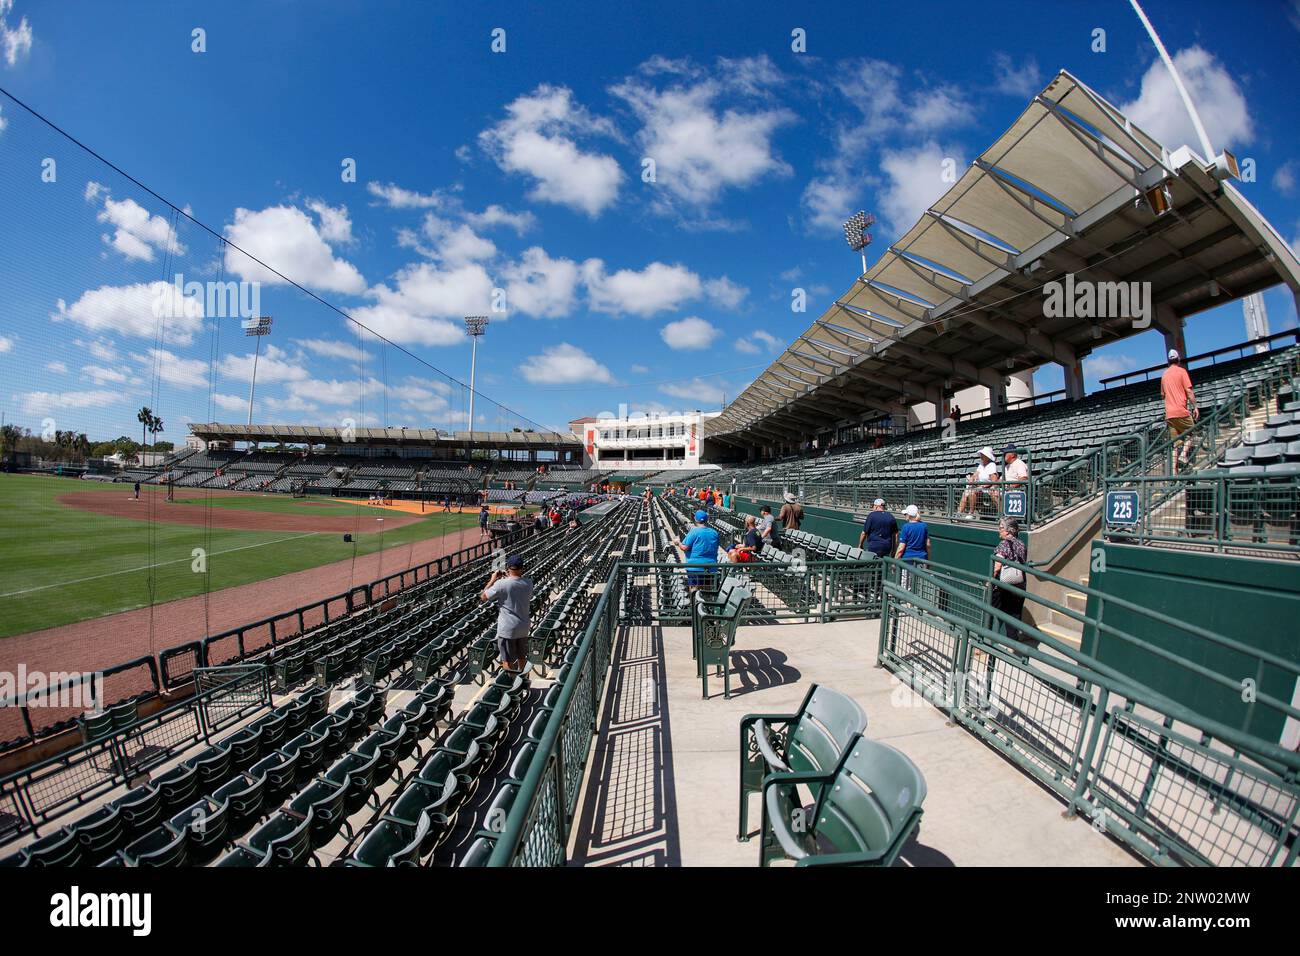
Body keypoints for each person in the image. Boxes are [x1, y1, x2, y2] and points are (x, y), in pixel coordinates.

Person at [480, 554, 533, 673]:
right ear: (522, 568)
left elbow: (483, 596)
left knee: (507, 661)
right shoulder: (529, 583)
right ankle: (523, 681)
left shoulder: (501, 584)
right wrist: (508, 577)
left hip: (508, 629)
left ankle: (511, 686)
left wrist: (493, 580)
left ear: (508, 567)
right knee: (521, 657)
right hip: (524, 627)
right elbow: (516, 582)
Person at [991, 517, 1032, 646]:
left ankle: (987, 641)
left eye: (1001, 528)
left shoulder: (1004, 544)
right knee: (1014, 615)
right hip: (1019, 584)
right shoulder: (1021, 543)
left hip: (1004, 586)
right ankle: (1012, 645)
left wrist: (991, 579)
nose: (999, 530)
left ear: (1009, 531)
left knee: (993, 612)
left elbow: (997, 565)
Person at [1161, 348, 1199, 469]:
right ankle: (1183, 456)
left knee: (1175, 444)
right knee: (1193, 433)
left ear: (1168, 361)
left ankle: (1174, 472)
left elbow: (1163, 395)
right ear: (1178, 359)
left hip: (1170, 414)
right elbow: (1189, 390)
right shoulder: (1182, 371)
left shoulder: (1164, 375)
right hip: (1181, 411)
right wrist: (1195, 407)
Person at [675, 510, 721, 590]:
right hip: (711, 567)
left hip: (695, 567)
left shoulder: (694, 531)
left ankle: (695, 602)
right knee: (708, 591)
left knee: (694, 590)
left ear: (695, 519)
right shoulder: (714, 533)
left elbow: (685, 548)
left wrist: (678, 543)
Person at [956, 447, 999, 520]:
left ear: (987, 456)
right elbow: (975, 474)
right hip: (979, 487)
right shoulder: (981, 465)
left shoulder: (992, 465)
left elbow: (994, 481)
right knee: (966, 492)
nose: (981, 456)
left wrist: (982, 486)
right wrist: (972, 479)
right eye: (981, 454)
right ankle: (958, 514)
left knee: (972, 492)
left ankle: (971, 513)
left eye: (983, 454)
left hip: (987, 488)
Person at [895, 505, 931, 592]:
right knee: (920, 585)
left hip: (907, 560)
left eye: (905, 514)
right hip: (922, 559)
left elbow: (901, 548)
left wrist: (895, 561)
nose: (905, 516)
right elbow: (928, 545)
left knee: (905, 584)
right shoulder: (924, 526)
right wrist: (928, 560)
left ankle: (907, 604)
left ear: (909, 515)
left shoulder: (906, 527)